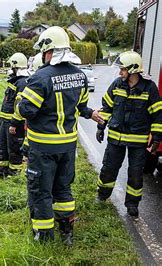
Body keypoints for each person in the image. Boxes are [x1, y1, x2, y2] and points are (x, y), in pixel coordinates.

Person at [18, 26, 104, 244]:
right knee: (63, 189)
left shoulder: (40, 77)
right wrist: (91, 113)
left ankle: (44, 237)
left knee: (41, 192)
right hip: (67, 146)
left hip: (43, 148)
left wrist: (20, 101)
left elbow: (26, 111)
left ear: (48, 50)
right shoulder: (80, 76)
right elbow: (81, 106)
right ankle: (67, 231)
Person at [96, 51, 161, 217]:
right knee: (109, 169)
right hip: (116, 139)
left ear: (133, 69)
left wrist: (157, 138)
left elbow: (158, 115)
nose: (120, 72)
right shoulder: (117, 85)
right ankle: (102, 196)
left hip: (138, 142)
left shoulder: (149, 88)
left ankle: (132, 205)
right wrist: (101, 127)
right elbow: (107, 107)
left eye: (123, 69)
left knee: (135, 174)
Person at [0, 53, 29, 179]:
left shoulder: (22, 82)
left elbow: (19, 106)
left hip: (14, 124)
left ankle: (14, 174)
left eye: (11, 66)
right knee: (1, 148)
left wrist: (14, 124)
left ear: (16, 66)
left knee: (14, 150)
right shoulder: (15, 81)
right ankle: (2, 173)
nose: (9, 69)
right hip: (5, 123)